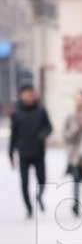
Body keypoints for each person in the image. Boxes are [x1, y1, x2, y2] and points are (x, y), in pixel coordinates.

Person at [9, 83, 52, 219]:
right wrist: (10, 154)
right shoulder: (16, 113)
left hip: (39, 152)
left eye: (31, 94)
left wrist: (43, 135)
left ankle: (39, 197)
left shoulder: (41, 110)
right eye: (27, 94)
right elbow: (13, 134)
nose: (29, 97)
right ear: (21, 96)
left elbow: (49, 127)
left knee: (42, 180)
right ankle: (28, 207)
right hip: (23, 153)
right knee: (24, 182)